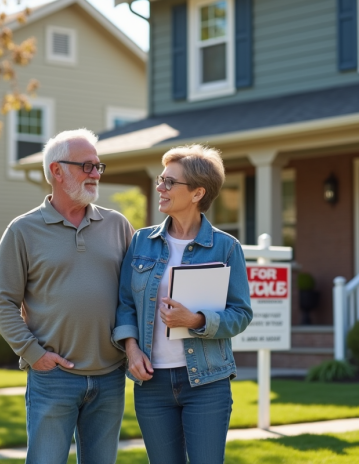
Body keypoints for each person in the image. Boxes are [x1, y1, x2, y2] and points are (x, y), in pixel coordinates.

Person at [0, 129, 133, 464]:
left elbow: (132, 297)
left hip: (110, 376)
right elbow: (2, 302)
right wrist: (33, 353)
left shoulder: (118, 226)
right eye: (87, 166)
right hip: (53, 378)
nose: (96, 174)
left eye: (99, 166)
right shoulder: (22, 231)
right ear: (57, 170)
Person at [112, 144, 253, 464]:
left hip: (207, 383)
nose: (160, 188)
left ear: (197, 193)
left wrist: (196, 320)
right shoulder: (140, 241)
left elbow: (241, 313)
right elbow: (124, 305)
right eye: (161, 180)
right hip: (152, 385)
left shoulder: (226, 247)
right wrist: (131, 351)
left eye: (169, 182)